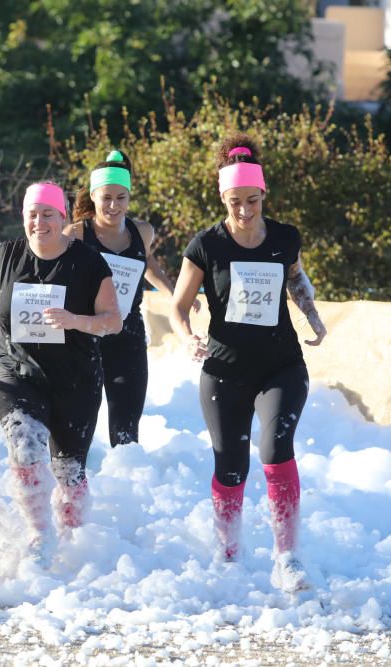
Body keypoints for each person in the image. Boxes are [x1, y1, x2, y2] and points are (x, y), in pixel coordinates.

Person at [170, 133, 326, 593]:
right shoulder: (206, 245)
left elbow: (296, 280)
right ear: (223, 197)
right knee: (231, 465)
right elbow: (177, 307)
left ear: (264, 196)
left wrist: (313, 316)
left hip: (281, 365)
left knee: (275, 450)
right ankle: (228, 553)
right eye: (235, 201)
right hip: (224, 369)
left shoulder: (284, 237)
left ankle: (288, 557)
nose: (243, 210)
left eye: (252, 200)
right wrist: (187, 339)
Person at [0, 182, 122, 565]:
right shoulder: (3, 255)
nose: (40, 222)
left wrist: (74, 320)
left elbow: (113, 321)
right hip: (15, 372)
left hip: (75, 379)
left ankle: (72, 542)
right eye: (32, 214)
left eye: (48, 214)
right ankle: (39, 535)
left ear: (63, 216)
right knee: (25, 450)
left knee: (69, 472)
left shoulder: (87, 263)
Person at [66, 150, 196, 447]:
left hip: (128, 334)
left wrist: (176, 295)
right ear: (94, 196)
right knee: (77, 418)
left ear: (129, 197)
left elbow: (148, 263)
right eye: (106, 197)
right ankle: (75, 478)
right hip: (87, 335)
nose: (113, 206)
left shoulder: (143, 231)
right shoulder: (76, 235)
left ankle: (123, 477)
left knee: (126, 421)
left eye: (121, 198)